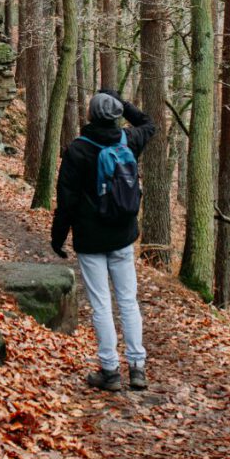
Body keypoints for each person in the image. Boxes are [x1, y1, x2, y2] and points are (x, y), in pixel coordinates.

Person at [50, 87, 156, 392]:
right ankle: (137, 368)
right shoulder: (129, 140)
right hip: (123, 236)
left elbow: (66, 201)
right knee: (128, 301)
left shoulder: (77, 150)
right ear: (115, 115)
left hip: (91, 240)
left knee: (101, 305)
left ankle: (110, 371)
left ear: (91, 115)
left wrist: (58, 238)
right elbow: (149, 123)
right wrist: (123, 103)